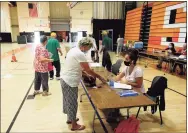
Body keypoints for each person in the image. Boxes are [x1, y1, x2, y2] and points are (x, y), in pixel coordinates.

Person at [60, 37, 106, 131]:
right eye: (88, 48)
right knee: (72, 102)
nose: (88, 50)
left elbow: (77, 67)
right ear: (84, 46)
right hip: (70, 81)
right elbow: (87, 69)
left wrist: (85, 74)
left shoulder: (73, 50)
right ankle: (74, 125)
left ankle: (70, 118)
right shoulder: (80, 54)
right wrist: (99, 77)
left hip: (64, 79)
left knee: (67, 100)